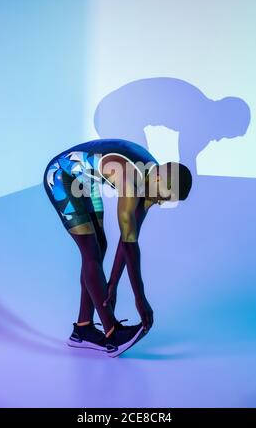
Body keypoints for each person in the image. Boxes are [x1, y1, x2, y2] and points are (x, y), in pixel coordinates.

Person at [43, 138, 192, 357]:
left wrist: (112, 283)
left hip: (86, 180)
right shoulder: (130, 180)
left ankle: (83, 329)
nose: (160, 202)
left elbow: (129, 240)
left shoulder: (152, 183)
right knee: (91, 252)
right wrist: (140, 298)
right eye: (163, 197)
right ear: (158, 178)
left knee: (99, 247)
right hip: (61, 175)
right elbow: (130, 245)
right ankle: (112, 333)